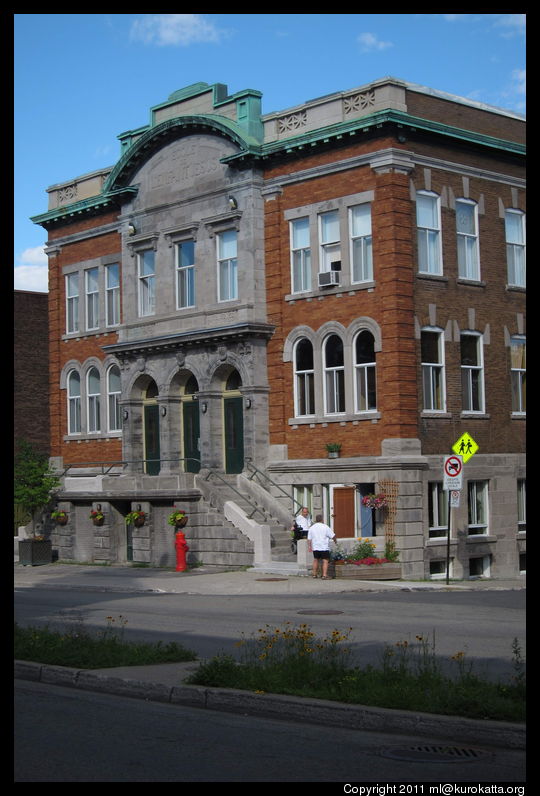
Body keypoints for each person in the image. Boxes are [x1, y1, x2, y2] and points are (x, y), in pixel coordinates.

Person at [307, 514, 336, 579]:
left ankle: (314, 574)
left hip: (315, 547)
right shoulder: (325, 527)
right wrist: (335, 541)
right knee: (325, 561)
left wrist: (309, 547)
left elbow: (309, 539)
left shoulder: (312, 528)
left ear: (316, 520)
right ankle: (324, 575)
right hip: (324, 547)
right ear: (322, 519)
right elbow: (333, 536)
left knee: (315, 560)